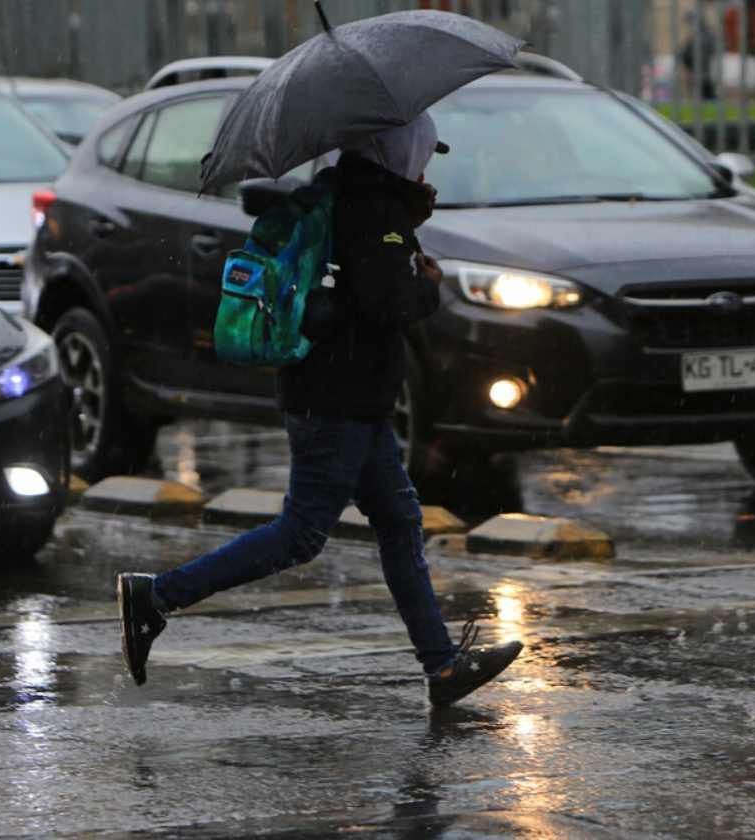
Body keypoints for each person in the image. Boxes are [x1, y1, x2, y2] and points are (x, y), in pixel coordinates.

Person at [117, 112, 522, 708]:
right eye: (421, 149)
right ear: (394, 148)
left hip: (343, 396)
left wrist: (406, 223)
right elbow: (386, 301)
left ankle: (441, 667)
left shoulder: (349, 197)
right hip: (339, 401)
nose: (427, 161)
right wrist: (428, 284)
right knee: (302, 534)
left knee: (399, 522)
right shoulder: (374, 209)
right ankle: (156, 596)